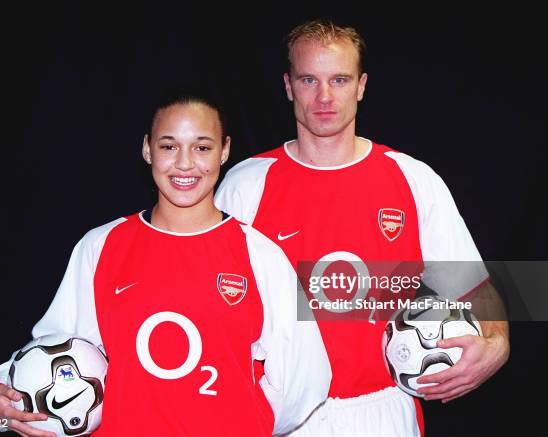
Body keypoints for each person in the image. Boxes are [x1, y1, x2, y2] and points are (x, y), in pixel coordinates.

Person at [0, 92, 331, 436]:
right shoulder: (101, 246)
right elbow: (54, 350)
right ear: (147, 149)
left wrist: (242, 422)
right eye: (169, 146)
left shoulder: (262, 255)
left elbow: (307, 375)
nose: (185, 163)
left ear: (225, 151)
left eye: (202, 147)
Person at [215, 19, 510, 436]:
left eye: (339, 79)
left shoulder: (411, 178)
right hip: (281, 415)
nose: (323, 97)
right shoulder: (245, 186)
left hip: (385, 410)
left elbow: (473, 288)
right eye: (307, 80)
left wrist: (497, 342)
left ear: (361, 85)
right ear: (287, 86)